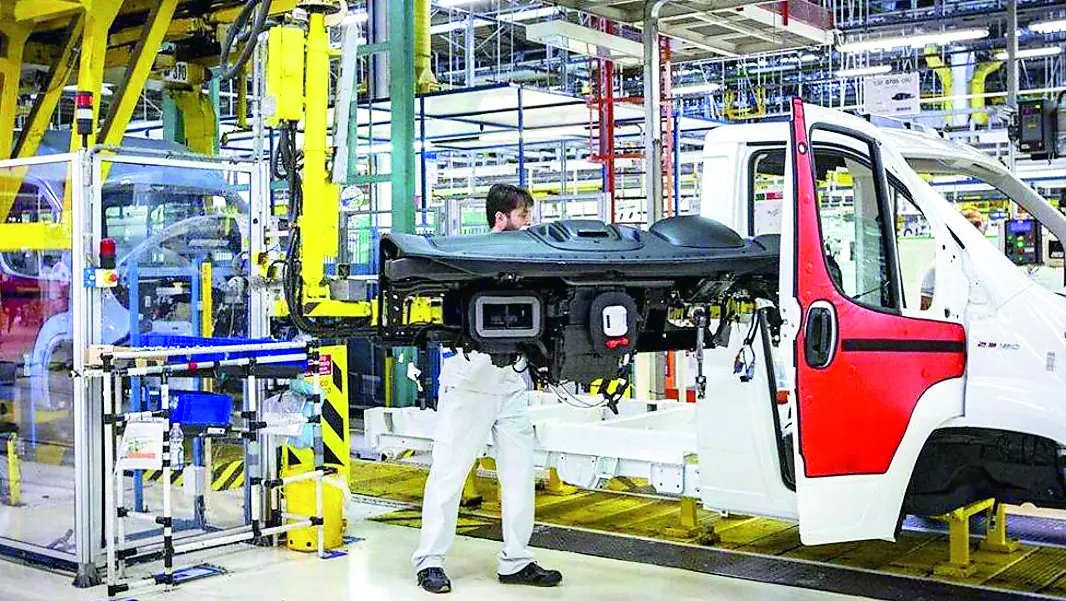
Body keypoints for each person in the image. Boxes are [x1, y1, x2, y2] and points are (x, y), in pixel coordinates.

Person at [412, 184, 562, 594]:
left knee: (519, 476)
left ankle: (516, 560)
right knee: (449, 475)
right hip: (470, 386)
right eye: (523, 216)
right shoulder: (470, 261)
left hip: (511, 387)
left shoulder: (531, 262)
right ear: (500, 218)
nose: (529, 224)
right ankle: (429, 561)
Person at [920, 208, 985, 310]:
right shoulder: (937, 268)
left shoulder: (987, 265)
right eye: (971, 226)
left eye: (977, 225)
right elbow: (925, 309)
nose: (976, 231)